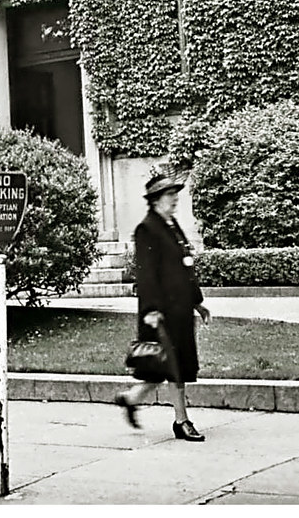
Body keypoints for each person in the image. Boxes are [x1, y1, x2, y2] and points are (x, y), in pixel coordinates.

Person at [114, 164, 210, 441]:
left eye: (174, 192)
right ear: (156, 199)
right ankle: (182, 422)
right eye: (169, 194)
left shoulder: (171, 226)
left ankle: (130, 399)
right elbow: (146, 275)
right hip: (162, 312)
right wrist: (151, 310)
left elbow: (183, 267)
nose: (174, 197)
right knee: (174, 367)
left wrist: (197, 302)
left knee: (162, 366)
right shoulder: (147, 229)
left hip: (180, 310)